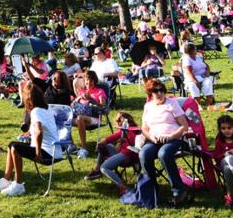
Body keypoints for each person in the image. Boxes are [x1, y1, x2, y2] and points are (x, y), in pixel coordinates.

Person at [0, 80, 60, 197]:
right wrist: (28, 133)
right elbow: (41, 129)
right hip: (54, 150)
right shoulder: (46, 108)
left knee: (15, 148)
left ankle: (18, 184)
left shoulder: (36, 111)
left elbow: (39, 131)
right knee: (11, 145)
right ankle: (6, 180)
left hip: (48, 153)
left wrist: (37, 151)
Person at [137, 78, 192, 207]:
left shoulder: (172, 103)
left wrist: (171, 136)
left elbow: (184, 125)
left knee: (164, 153)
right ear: (150, 93)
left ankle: (179, 191)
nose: (160, 93)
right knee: (144, 154)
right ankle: (152, 190)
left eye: (162, 90)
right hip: (154, 140)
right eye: (156, 91)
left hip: (174, 139)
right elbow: (144, 128)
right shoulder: (148, 106)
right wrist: (151, 137)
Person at [84, 111, 139, 196]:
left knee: (104, 167)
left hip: (126, 157)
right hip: (133, 156)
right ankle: (97, 170)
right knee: (106, 146)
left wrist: (99, 144)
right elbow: (117, 150)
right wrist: (120, 142)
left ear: (120, 122)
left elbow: (108, 139)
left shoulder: (123, 129)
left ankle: (122, 187)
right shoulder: (136, 129)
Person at [71, 70, 108, 156]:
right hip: (82, 117)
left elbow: (103, 107)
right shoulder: (82, 92)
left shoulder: (100, 91)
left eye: (91, 80)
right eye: (87, 80)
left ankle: (84, 148)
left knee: (80, 118)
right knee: (65, 118)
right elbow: (73, 105)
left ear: (94, 81)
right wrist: (79, 98)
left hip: (95, 118)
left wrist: (91, 99)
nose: (88, 82)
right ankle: (71, 145)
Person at [180, 44, 214, 109]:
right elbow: (189, 73)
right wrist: (195, 81)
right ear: (191, 51)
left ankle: (209, 103)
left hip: (203, 76)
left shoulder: (198, 57)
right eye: (195, 49)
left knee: (208, 82)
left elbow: (206, 65)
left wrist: (208, 71)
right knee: (193, 85)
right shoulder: (187, 59)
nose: (196, 50)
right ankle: (199, 105)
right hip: (192, 78)